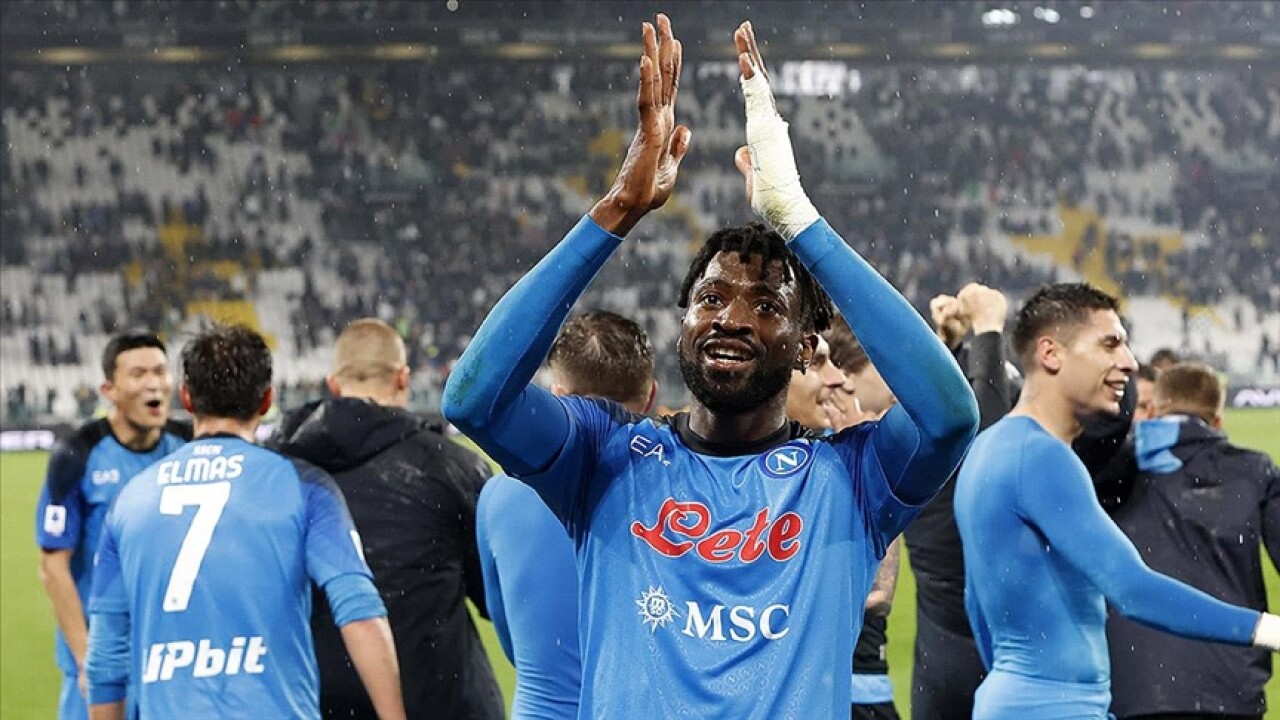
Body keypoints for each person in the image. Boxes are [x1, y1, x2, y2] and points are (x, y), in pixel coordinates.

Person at [442, 16, 978, 718]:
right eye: (712, 298)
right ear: (684, 322)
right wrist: (617, 211)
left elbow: (950, 416)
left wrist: (798, 219)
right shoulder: (604, 457)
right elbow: (474, 399)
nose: (731, 317)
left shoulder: (853, 478)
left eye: (767, 305)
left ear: (805, 344)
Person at [954, 284, 1280, 720]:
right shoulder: (1041, 456)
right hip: (1053, 707)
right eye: (1110, 344)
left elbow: (977, 605)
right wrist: (1266, 628)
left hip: (1023, 700)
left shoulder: (989, 448)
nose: (1128, 362)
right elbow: (1133, 589)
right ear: (1051, 354)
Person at [83, 325, 405, 720]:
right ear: (267, 399)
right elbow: (360, 613)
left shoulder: (129, 500)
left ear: (187, 397)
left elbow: (105, 657)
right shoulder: (303, 487)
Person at [269, 318, 502, 720]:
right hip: (440, 702)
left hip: (319, 703)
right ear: (402, 378)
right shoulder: (451, 467)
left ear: (334, 384)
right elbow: (497, 596)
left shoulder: (281, 471)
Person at [477, 310, 659, 719]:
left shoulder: (499, 495)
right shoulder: (684, 496)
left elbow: (508, 635)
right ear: (651, 395)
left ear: (556, 396)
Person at [1105, 363, 1280, 720]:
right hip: (1229, 684)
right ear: (1217, 420)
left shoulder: (1112, 468)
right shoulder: (1254, 469)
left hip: (1131, 686)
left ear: (1153, 410)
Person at [35, 331, 189, 720]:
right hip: (100, 657)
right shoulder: (77, 455)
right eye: (138, 374)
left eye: (160, 371)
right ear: (109, 390)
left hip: (171, 659)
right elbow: (53, 566)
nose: (153, 383)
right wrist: (87, 658)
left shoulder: (188, 447)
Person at [898, 284, 1015, 720]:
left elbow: (946, 414)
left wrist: (945, 346)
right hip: (993, 659)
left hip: (938, 662)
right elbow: (986, 440)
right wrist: (988, 332)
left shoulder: (912, 462)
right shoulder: (977, 467)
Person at [812, 321, 902, 720]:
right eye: (884, 368)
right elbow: (879, 593)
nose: (896, 383)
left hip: (856, 673)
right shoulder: (823, 454)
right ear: (846, 376)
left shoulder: (847, 447)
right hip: (849, 681)